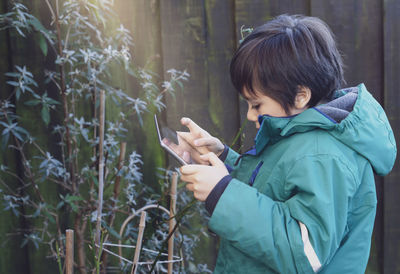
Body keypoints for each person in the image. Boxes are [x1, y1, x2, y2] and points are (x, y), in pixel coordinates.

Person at [178, 14, 397, 273]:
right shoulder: (301, 135)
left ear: (300, 96)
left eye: (256, 104)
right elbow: (273, 187)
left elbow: (305, 254)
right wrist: (223, 158)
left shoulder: (323, 155)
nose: (250, 114)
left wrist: (223, 194)